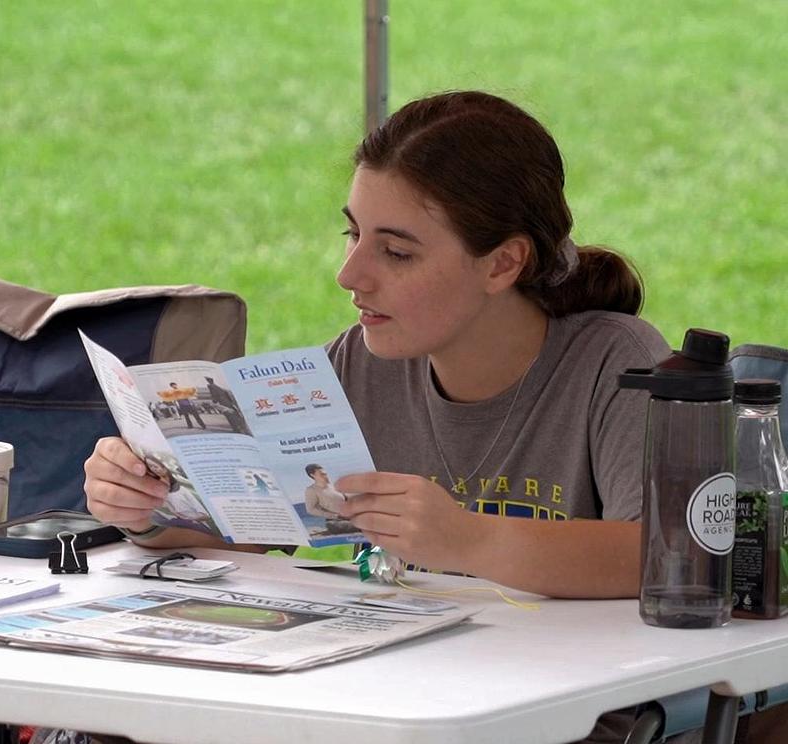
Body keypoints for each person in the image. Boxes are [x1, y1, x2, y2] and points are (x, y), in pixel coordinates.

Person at [83, 90, 716, 742]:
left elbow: (671, 555)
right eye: (352, 233)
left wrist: (464, 538)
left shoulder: (615, 361)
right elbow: (248, 525)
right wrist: (149, 507)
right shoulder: (360, 363)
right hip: (387, 707)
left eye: (397, 251)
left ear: (504, 262)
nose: (349, 273)